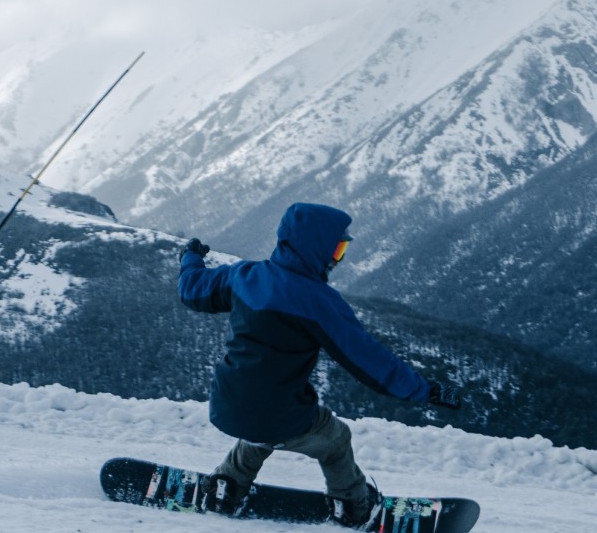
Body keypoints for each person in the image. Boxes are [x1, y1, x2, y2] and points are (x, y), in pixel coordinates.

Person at [178, 202, 463, 528]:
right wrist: (427, 390)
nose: (338, 259)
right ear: (314, 248)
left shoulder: (244, 275)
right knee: (335, 439)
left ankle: (227, 487)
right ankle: (352, 506)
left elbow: (191, 288)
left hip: (226, 404)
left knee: (259, 426)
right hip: (280, 416)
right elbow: (372, 362)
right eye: (337, 249)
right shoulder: (319, 302)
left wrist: (190, 257)